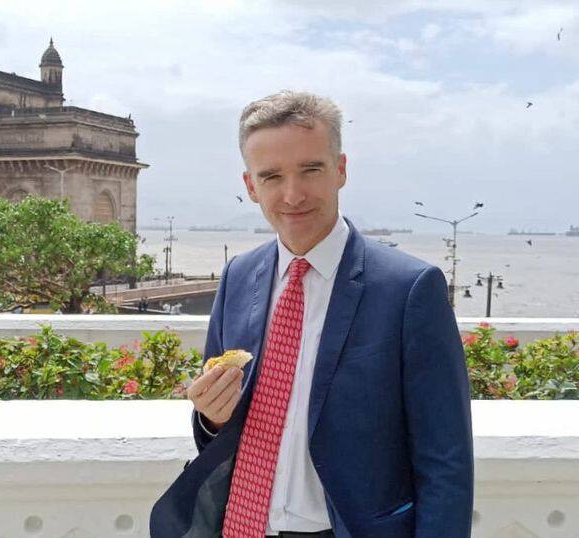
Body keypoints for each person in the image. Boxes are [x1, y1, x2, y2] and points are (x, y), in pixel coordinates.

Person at [150, 91, 473, 537]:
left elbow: (446, 459)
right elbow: (224, 434)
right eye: (272, 176)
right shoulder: (238, 278)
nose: (292, 194)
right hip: (241, 527)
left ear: (341, 169)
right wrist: (212, 417)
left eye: (311, 169)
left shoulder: (408, 289)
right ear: (249, 185)